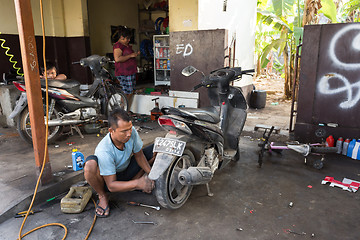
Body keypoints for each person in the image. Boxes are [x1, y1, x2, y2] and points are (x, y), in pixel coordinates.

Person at [83, 108, 156, 217]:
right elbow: (111, 185)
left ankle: (136, 181)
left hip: (126, 170)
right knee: (90, 165)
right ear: (111, 131)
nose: (128, 134)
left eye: (130, 129)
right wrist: (138, 184)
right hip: (110, 181)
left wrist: (152, 175)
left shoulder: (131, 133)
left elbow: (139, 155)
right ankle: (103, 196)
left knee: (157, 149)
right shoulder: (104, 150)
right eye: (124, 131)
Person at [113, 27, 139, 108]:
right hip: (123, 73)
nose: (129, 40)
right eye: (127, 38)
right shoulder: (118, 46)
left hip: (130, 72)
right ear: (121, 37)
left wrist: (135, 54)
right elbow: (117, 59)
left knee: (130, 91)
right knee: (126, 92)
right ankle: (123, 109)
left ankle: (126, 109)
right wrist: (131, 55)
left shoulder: (126, 45)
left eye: (129, 38)